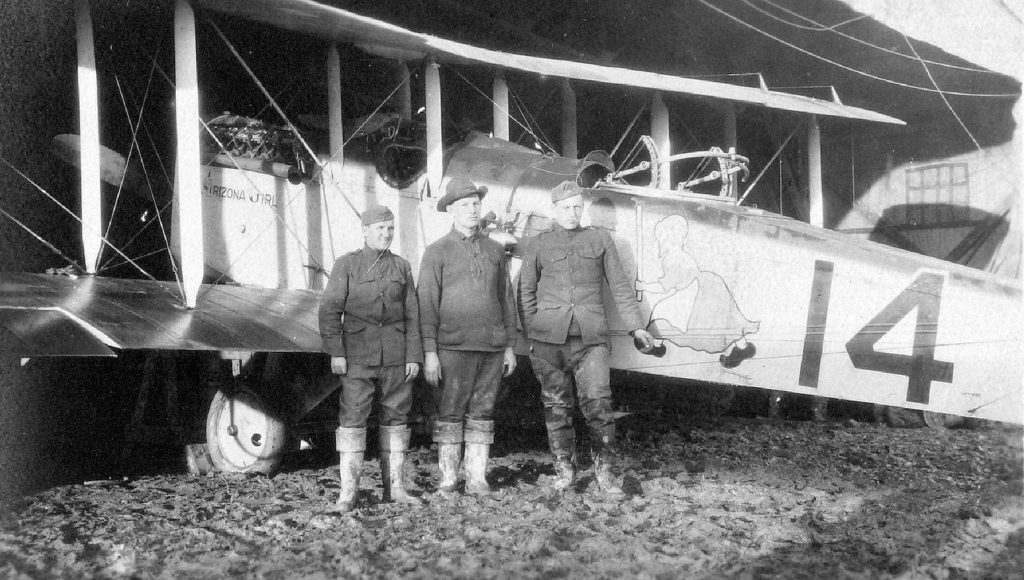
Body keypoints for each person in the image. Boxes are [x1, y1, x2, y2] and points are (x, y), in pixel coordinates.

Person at [518, 180, 656, 496]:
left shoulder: (600, 239)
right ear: (554, 209)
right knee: (556, 406)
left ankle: (606, 475)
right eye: (566, 207)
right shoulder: (539, 244)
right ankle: (565, 472)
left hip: (591, 339)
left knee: (599, 404)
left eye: (577, 207)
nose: (572, 213)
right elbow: (524, 290)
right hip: (549, 341)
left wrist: (636, 326)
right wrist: (532, 333)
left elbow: (620, 287)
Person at [318, 205, 423, 512]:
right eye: (379, 228)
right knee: (352, 420)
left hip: (395, 357)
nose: (386, 234)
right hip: (357, 358)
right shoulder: (346, 265)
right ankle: (348, 494)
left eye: (390, 228)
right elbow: (329, 311)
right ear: (365, 231)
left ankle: (396, 489)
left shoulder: (401, 268)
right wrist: (336, 352)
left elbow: (413, 316)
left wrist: (413, 356)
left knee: (397, 419)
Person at [418, 177, 517, 495]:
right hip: (452, 347)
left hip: (490, 346)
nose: (472, 210)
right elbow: (426, 305)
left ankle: (477, 479)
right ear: (451, 211)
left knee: (483, 411)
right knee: (449, 412)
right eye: (464, 205)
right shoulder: (436, 252)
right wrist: (430, 351)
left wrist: (509, 346)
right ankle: (448, 480)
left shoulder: (494, 250)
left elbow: (506, 299)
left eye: (476, 204)